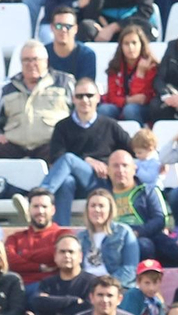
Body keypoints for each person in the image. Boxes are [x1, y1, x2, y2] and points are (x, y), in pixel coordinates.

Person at [41, 77, 131, 227]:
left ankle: (40, 198)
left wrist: (108, 165)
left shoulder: (110, 125)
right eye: (79, 96)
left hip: (102, 182)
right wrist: (86, 161)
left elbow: (130, 152)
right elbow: (56, 158)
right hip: (75, 184)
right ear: (73, 99)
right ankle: (62, 231)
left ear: (98, 98)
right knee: (66, 182)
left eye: (89, 95)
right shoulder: (62, 127)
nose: (84, 100)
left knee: (69, 158)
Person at [0, 40, 72, 162]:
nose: (31, 64)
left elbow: (77, 114)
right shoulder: (10, 88)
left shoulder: (63, 83)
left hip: (50, 144)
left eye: (35, 59)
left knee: (63, 154)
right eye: (26, 60)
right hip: (14, 145)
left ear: (46, 61)